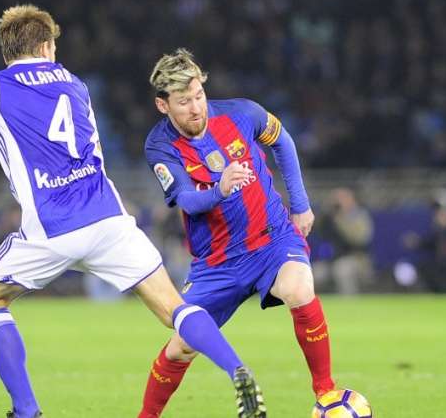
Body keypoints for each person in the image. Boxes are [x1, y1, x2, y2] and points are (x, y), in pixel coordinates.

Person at [0, 5, 265, 418]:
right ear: (46, 46)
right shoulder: (74, 83)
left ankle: (27, 410)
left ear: (10, 50)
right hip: (109, 220)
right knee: (175, 309)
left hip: (53, 227)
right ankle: (236, 367)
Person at [138, 49, 335, 418]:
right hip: (217, 263)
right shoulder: (160, 145)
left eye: (199, 96)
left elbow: (284, 141)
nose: (196, 108)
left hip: (272, 240)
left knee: (298, 288)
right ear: (163, 106)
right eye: (184, 102)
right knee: (180, 346)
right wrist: (220, 189)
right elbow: (185, 199)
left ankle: (325, 393)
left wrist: (301, 204)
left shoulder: (241, 112)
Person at [314, 188, 374, 295]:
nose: (338, 203)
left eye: (342, 199)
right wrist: (326, 210)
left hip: (356, 258)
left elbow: (359, 239)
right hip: (331, 259)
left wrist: (342, 218)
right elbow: (316, 229)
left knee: (342, 270)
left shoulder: (359, 216)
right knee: (315, 272)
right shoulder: (329, 217)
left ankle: (350, 304)